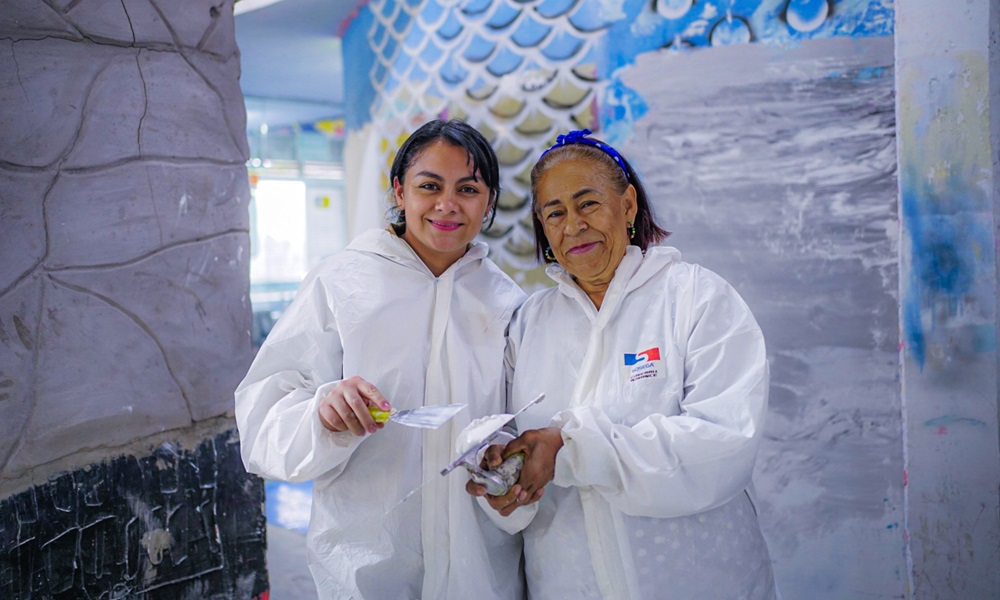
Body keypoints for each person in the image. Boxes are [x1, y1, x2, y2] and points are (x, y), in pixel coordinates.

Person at [468, 129, 777, 599]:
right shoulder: (530, 324)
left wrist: (572, 449)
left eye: (588, 203)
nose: (573, 226)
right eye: (555, 213)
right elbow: (509, 436)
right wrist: (503, 470)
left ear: (628, 205)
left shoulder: (695, 298)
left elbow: (724, 444)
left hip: (699, 582)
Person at [236, 119, 527, 600]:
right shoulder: (343, 283)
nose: (447, 205)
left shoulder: (505, 302)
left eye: (468, 189)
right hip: (365, 562)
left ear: (489, 200)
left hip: (482, 564)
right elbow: (263, 416)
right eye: (429, 186)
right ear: (399, 191)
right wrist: (323, 413)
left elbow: (525, 419)